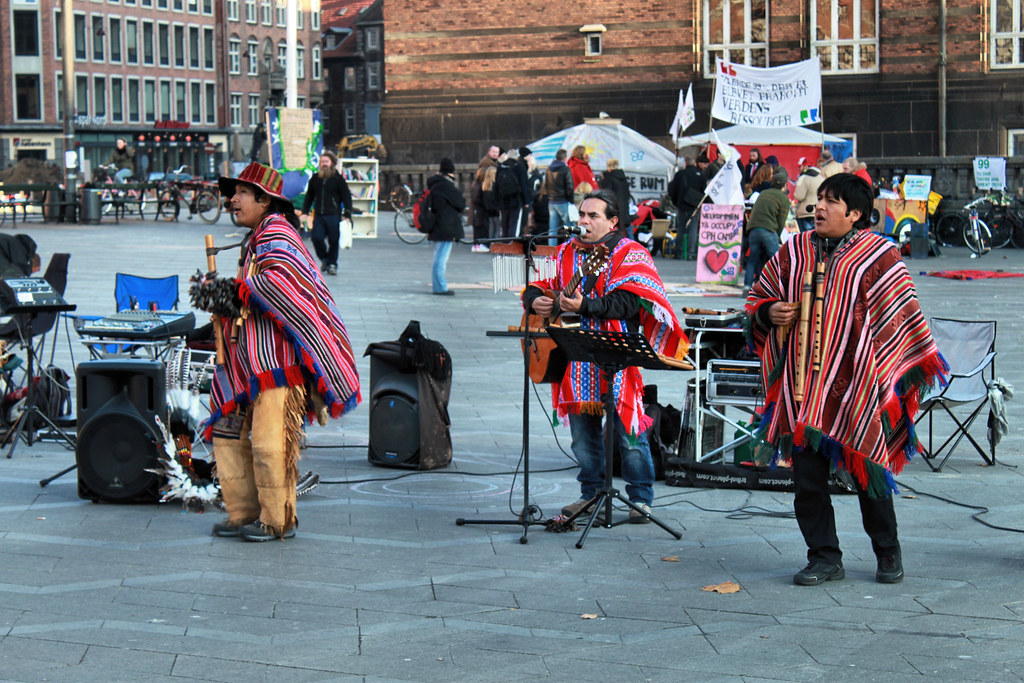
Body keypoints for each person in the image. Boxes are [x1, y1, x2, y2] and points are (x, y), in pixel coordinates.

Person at [744, 173, 948, 585]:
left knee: (868, 468)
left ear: (854, 214)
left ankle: (887, 552)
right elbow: (758, 295)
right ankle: (823, 557)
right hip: (801, 389)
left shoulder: (880, 257)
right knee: (807, 482)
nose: (818, 207)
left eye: (830, 201)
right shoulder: (794, 250)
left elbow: (903, 319)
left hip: (859, 387)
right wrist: (770, 312)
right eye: (818, 199)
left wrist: (885, 373)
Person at [205, 162, 361, 541]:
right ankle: (242, 512)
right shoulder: (257, 235)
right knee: (229, 435)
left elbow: (282, 283)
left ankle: (277, 520)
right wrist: (223, 299)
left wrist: (236, 290)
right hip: (246, 360)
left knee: (269, 442)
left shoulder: (277, 233)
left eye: (241, 193)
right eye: (233, 193)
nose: (232, 200)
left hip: (277, 361)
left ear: (264, 199)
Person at [522, 189, 689, 524]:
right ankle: (590, 494)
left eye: (592, 216)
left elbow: (631, 302)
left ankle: (640, 499)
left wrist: (586, 306)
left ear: (613, 221)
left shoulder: (631, 253)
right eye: (581, 214)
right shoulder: (567, 251)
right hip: (574, 358)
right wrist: (535, 299)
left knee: (629, 433)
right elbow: (545, 284)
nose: (583, 221)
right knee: (583, 437)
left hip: (616, 356)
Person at [298, 151, 352, 275]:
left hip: (333, 215)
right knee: (316, 238)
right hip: (319, 216)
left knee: (334, 240)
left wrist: (347, 214)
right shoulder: (315, 179)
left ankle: (332, 264)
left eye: (326, 162)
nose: (324, 164)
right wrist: (304, 212)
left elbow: (346, 197)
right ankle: (324, 259)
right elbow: (309, 197)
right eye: (322, 162)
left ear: (332, 163)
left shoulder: (338, 179)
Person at [743, 170, 789, 293]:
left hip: (753, 229)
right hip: (768, 230)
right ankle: (777, 287)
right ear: (785, 185)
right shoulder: (783, 199)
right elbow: (781, 221)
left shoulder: (763, 193)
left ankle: (747, 286)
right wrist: (777, 236)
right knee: (775, 260)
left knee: (753, 259)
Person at [427, 158, 466, 295]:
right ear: (451, 173)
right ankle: (439, 287)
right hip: (446, 226)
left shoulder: (434, 184)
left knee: (438, 256)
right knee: (441, 258)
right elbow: (460, 203)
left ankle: (438, 285)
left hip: (437, 225)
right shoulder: (446, 186)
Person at [666, 153, 709, 259]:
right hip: (695, 205)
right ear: (695, 163)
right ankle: (691, 252)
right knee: (693, 229)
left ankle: (679, 251)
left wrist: (676, 202)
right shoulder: (700, 175)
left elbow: (672, 189)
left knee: (681, 228)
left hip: (682, 204)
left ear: (685, 163)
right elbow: (704, 192)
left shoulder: (680, 174)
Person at [545, 148, 575, 246]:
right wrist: (571, 201)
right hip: (563, 201)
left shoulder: (549, 169)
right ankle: (572, 248)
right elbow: (569, 186)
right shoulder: (565, 169)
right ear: (565, 158)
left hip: (551, 201)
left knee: (553, 229)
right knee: (570, 228)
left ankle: (551, 250)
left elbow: (546, 185)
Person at [792, 157, 824, 232]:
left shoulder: (803, 178)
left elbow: (799, 196)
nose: (799, 169)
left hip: (805, 213)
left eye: (800, 167)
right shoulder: (821, 177)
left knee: (806, 238)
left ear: (806, 166)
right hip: (818, 211)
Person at [599, 158, 632, 228]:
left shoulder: (609, 177)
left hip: (614, 208)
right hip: (624, 208)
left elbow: (607, 194)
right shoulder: (622, 177)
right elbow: (627, 194)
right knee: (628, 229)